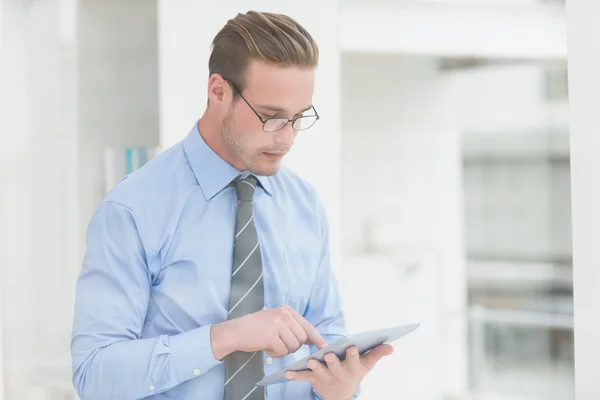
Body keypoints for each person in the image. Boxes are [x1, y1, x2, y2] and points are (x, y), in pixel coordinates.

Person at [70, 10, 393, 400]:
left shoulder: (304, 205)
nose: (287, 138)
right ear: (218, 91)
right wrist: (225, 337)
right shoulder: (132, 210)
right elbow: (94, 376)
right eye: (271, 117)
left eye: (298, 118)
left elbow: (329, 337)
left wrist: (341, 387)